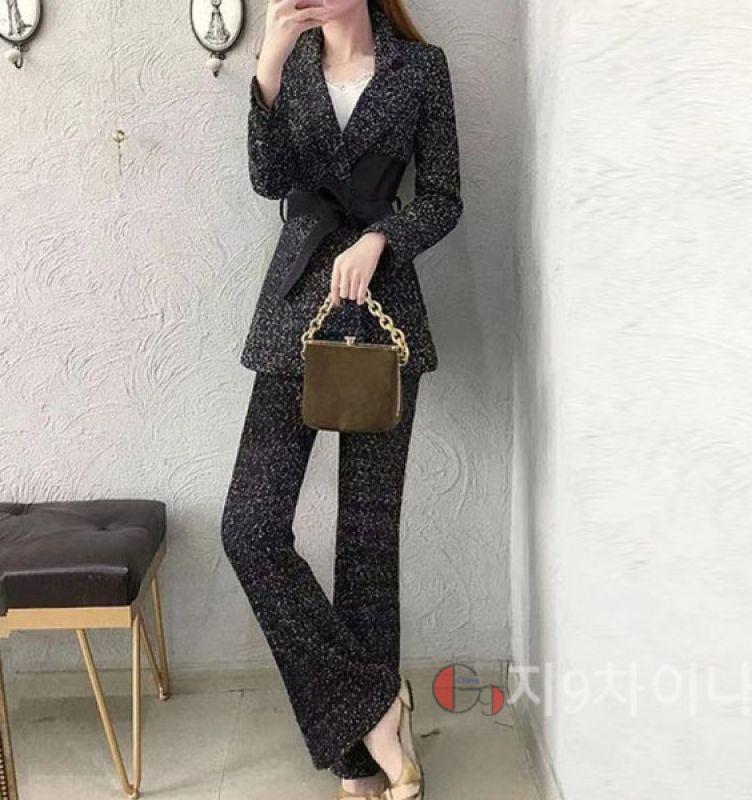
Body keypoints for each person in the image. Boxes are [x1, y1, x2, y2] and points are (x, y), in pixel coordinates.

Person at [220, 1, 463, 797]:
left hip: (384, 310)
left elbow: (445, 195)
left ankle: (364, 760)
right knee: (250, 528)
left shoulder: (420, 69)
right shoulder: (289, 67)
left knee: (367, 542)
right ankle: (376, 706)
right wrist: (267, 59)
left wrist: (381, 237)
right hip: (296, 307)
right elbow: (269, 180)